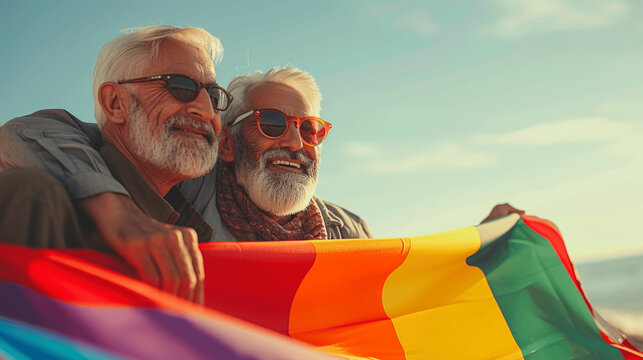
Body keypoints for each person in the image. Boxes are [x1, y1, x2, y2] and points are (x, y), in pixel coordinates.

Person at [0, 25, 234, 304]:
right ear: (114, 103)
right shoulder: (40, 203)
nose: (207, 111)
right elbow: (27, 131)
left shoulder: (202, 205)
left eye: (214, 96)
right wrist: (118, 214)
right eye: (180, 87)